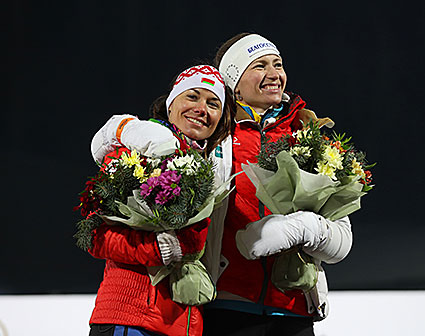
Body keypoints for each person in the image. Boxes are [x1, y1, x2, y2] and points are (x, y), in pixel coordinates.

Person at [90, 33, 353, 336]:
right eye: (259, 66)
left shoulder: (309, 139)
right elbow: (115, 151)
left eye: (277, 64)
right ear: (235, 82)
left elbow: (342, 242)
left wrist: (305, 228)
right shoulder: (211, 139)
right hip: (224, 309)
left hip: (294, 309)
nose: (273, 74)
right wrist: (123, 127)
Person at [85, 64, 235, 336]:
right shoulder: (132, 152)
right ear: (170, 104)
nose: (202, 108)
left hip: (183, 323)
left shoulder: (211, 168)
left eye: (213, 103)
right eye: (192, 96)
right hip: (129, 317)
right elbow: (95, 235)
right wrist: (153, 248)